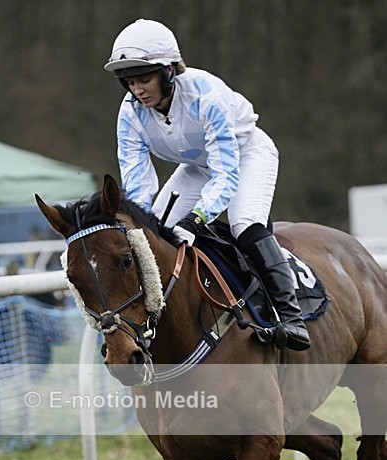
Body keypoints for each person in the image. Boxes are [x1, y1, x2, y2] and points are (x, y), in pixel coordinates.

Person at [104, 18, 310, 351]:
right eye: (129, 82)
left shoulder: (206, 95)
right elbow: (138, 185)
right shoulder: (130, 113)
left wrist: (196, 219)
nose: (137, 90)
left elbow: (227, 174)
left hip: (246, 155)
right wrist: (136, 223)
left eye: (144, 79)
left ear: (169, 71)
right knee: (151, 236)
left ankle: (291, 316)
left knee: (245, 225)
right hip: (197, 167)